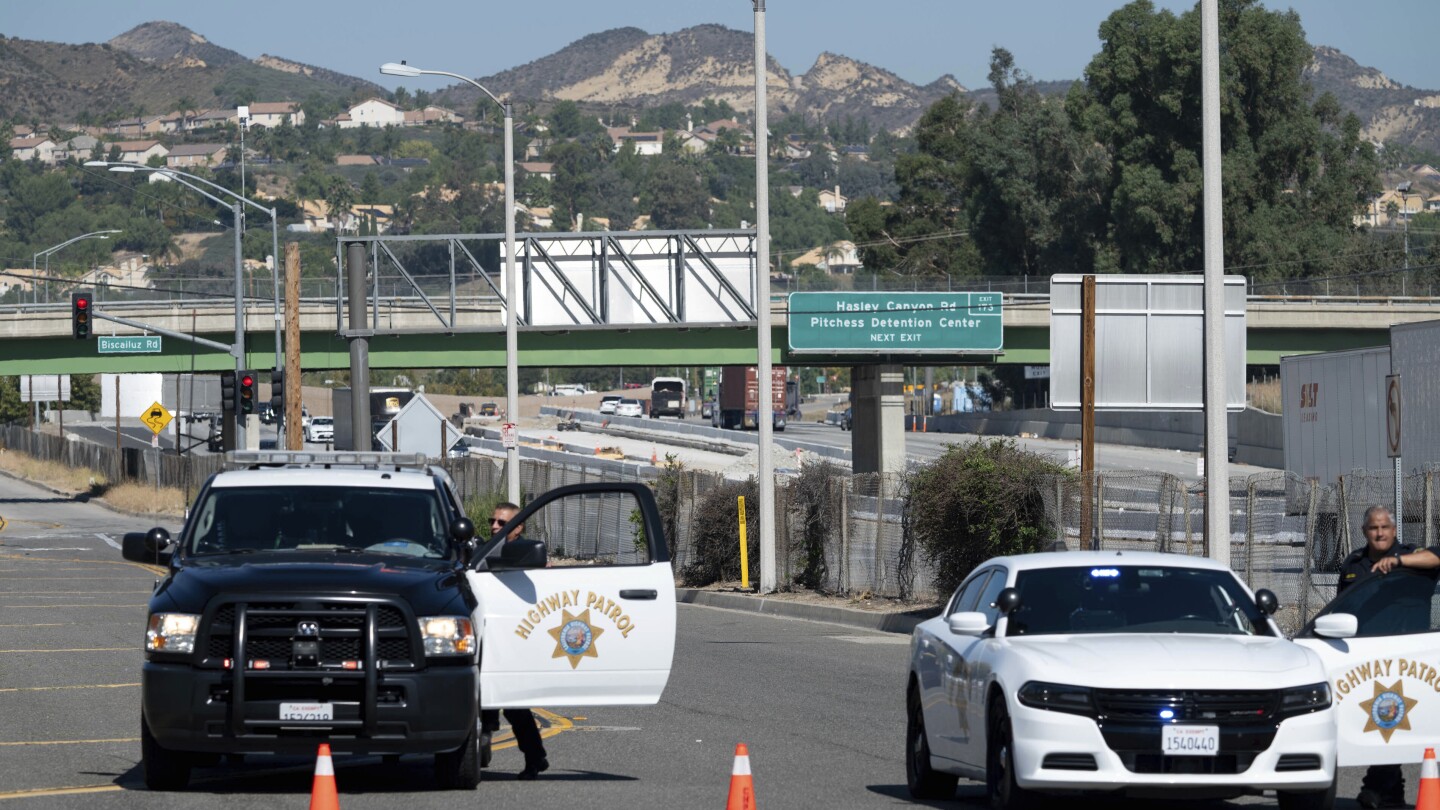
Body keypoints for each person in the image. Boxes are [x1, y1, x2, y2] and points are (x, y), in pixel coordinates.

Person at [1339, 505, 1413, 809]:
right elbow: (1343, 606)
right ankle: (1391, 793)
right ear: (1364, 531)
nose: (1379, 533)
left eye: (1384, 527)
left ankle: (1375, 786)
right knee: (1379, 722)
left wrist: (1398, 561)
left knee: (1388, 719)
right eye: (1373, 528)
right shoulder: (1353, 563)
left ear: (1394, 530)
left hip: (1404, 655)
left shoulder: (1411, 557)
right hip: (1363, 654)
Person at [480, 502, 550, 780]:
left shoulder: (522, 551)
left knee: (514, 706)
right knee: (482, 697)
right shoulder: (483, 550)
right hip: (485, 633)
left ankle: (534, 758)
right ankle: (484, 742)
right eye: (493, 521)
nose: (495, 526)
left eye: (502, 523)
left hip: (513, 638)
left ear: (518, 527)